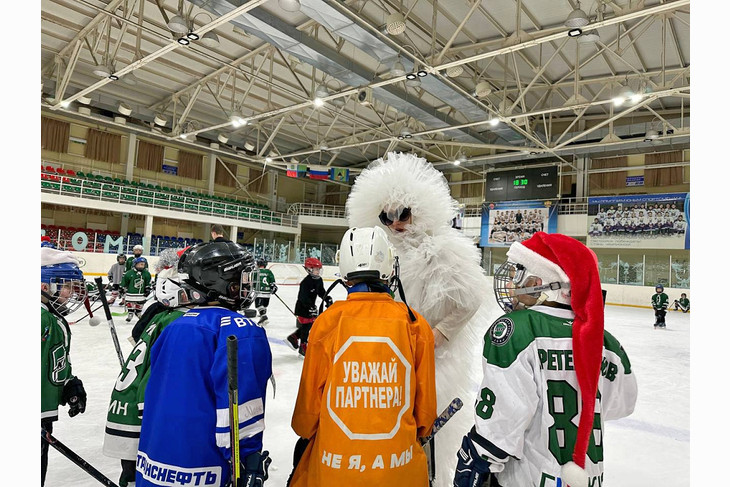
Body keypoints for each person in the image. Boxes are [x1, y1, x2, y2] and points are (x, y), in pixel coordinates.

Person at [345, 152, 491, 486]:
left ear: (420, 210)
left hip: (436, 360)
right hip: (391, 356)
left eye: (402, 213)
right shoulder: (381, 250)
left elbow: (471, 297)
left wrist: (438, 334)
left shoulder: (443, 248)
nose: (395, 223)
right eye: (386, 216)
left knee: (431, 431)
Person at [453, 232, 638, 487]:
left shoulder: (518, 329)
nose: (511, 286)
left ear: (544, 282)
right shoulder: (608, 343)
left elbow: (501, 426)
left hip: (528, 478)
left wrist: (477, 457)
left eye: (518, 275)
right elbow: (623, 404)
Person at [289, 227, 437, 487]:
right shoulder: (414, 324)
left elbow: (306, 416)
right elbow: (425, 415)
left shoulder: (327, 323)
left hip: (333, 470)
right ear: (389, 265)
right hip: (400, 471)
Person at [135, 241, 273, 487]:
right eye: (244, 278)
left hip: (153, 465)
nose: (248, 285)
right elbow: (241, 415)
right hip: (204, 470)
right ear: (226, 283)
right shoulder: (242, 331)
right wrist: (248, 462)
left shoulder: (173, 325)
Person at [103, 249, 192, 487]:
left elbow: (136, 336)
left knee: (132, 472)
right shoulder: (178, 320)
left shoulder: (159, 310)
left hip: (126, 403)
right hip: (142, 406)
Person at [41, 246, 88, 486]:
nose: (71, 293)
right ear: (43, 286)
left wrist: (68, 384)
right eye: (66, 285)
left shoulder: (48, 317)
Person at [286, 257, 331, 357]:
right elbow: (302, 297)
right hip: (302, 308)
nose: (318, 271)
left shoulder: (319, 280)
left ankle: (294, 337)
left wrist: (327, 298)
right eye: (316, 269)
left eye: (319, 269)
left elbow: (321, 292)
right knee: (307, 326)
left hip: (311, 307)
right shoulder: (305, 283)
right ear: (309, 270)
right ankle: (303, 345)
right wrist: (309, 307)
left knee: (310, 325)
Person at [120, 256, 152, 322]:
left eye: (143, 264)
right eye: (140, 264)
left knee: (140, 303)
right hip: (131, 293)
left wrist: (148, 288)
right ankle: (130, 313)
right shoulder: (129, 273)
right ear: (135, 264)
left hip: (141, 293)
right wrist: (122, 288)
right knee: (130, 303)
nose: (142, 266)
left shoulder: (146, 274)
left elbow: (148, 282)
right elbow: (124, 281)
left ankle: (138, 312)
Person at [253, 259, 278, 326]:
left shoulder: (255, 272)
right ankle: (262, 318)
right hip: (267, 293)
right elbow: (272, 281)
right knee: (264, 305)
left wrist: (252, 287)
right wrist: (273, 287)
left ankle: (264, 317)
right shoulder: (269, 272)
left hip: (259, 292)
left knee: (258, 305)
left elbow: (253, 282)